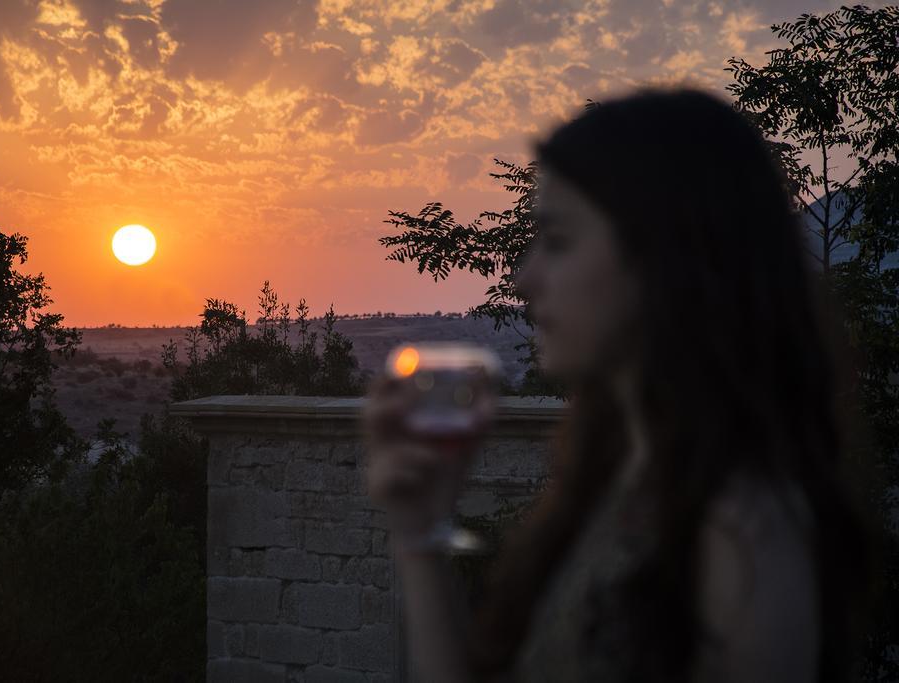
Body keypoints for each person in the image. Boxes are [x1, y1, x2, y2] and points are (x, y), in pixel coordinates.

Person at [362, 87, 871, 683]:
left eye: (558, 241)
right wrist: (419, 531)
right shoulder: (622, 480)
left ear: (666, 255)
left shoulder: (742, 531)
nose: (524, 278)